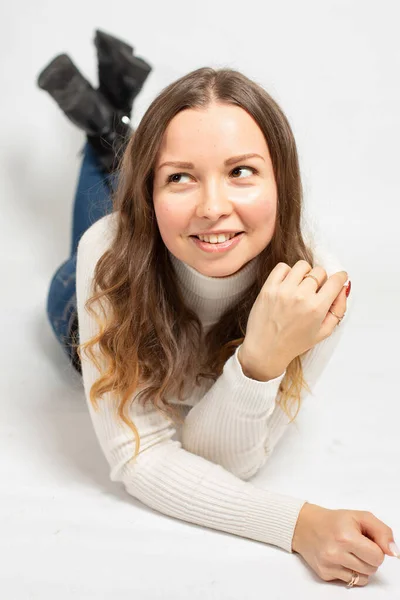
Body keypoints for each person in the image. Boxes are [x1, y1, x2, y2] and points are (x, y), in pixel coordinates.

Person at [39, 38, 399, 589]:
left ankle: (112, 115)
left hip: (155, 240)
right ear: (153, 195)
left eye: (241, 172)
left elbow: (221, 463)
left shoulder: (318, 287)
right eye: (179, 177)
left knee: (135, 184)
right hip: (78, 297)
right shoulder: (105, 254)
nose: (213, 206)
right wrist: (297, 524)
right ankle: (109, 127)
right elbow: (142, 457)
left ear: (282, 181)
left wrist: (262, 358)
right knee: (105, 202)